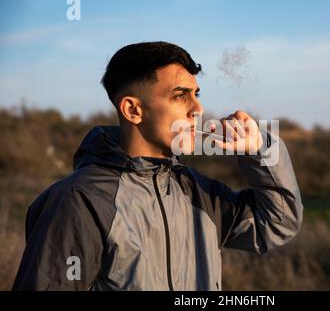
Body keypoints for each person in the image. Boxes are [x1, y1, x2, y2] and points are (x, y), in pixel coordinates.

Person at [12, 41, 303, 291]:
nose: (198, 110)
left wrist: (261, 150)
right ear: (133, 110)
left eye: (196, 94)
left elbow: (276, 224)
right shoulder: (77, 200)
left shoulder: (196, 191)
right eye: (180, 95)